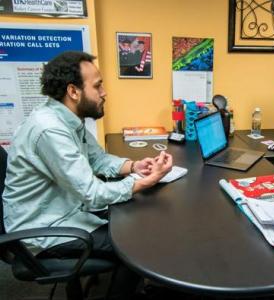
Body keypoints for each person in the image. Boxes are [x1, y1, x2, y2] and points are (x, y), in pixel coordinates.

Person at [2, 51, 173, 298]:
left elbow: (97, 159)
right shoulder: (50, 130)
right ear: (73, 91)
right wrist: (144, 181)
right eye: (97, 85)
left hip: (66, 209)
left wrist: (135, 167)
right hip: (45, 227)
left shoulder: (67, 118)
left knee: (137, 219)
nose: (104, 92)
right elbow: (92, 193)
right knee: (137, 246)